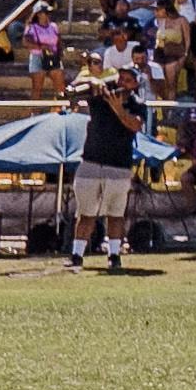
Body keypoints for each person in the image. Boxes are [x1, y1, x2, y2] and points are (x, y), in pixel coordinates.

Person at [71, 68, 147, 269]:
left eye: (128, 80)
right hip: (91, 162)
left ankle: (114, 255)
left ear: (135, 85)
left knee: (116, 214)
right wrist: (93, 82)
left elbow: (135, 125)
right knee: (85, 213)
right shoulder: (101, 94)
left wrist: (118, 109)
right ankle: (76, 256)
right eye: (121, 77)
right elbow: (74, 87)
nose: (122, 82)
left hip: (118, 165)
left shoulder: (137, 104)